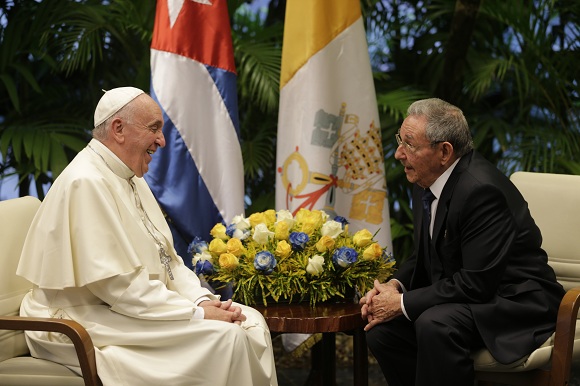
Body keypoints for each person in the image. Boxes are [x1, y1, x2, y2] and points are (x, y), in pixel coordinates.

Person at [17, 87, 278, 386]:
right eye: (154, 128)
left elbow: (169, 261)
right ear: (118, 129)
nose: (162, 141)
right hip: (78, 318)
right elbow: (117, 286)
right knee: (226, 337)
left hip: (126, 307)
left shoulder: (129, 174)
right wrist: (194, 314)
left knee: (252, 322)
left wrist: (203, 300)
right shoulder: (85, 182)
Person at [360, 98, 565, 386]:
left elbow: (476, 283)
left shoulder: (480, 192)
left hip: (515, 301)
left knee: (435, 324)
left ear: (444, 151)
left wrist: (403, 302)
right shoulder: (426, 179)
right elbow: (427, 254)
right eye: (400, 141)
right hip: (476, 293)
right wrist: (394, 287)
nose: (398, 154)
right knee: (383, 331)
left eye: (410, 145)